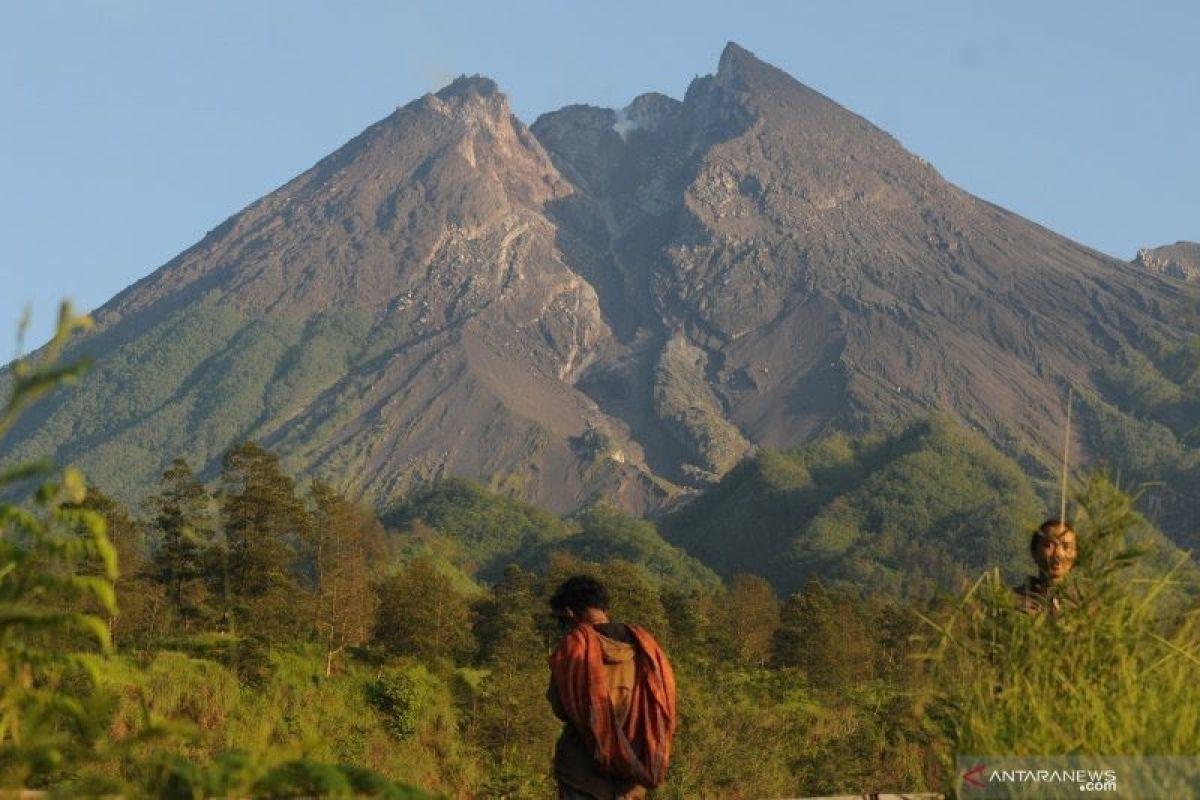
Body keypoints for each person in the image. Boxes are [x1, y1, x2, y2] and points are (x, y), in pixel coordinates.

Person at [546, 575, 676, 800]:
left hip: (582, 772)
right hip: (633, 772)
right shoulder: (645, 646)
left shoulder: (574, 648)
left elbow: (560, 707)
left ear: (570, 613)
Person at [1013, 519, 1078, 614]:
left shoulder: (1087, 606)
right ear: (1034, 551)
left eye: (1066, 547)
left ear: (1075, 554)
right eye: (1049, 545)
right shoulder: (1013, 602)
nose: (1058, 554)